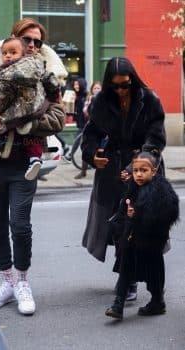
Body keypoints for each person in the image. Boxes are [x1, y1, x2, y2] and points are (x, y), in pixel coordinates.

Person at [0, 17, 66, 315]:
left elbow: (58, 118)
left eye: (37, 42)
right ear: (14, 40)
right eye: (26, 40)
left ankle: (22, 282)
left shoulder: (47, 75)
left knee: (19, 225)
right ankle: (7, 281)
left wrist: (26, 122)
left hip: (25, 161)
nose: (32, 45)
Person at [81, 57, 166, 300]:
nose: (120, 90)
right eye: (115, 86)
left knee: (144, 226)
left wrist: (138, 165)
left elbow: (156, 138)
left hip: (144, 171)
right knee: (121, 226)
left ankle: (149, 281)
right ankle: (128, 279)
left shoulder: (149, 99)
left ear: (133, 80)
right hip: (111, 171)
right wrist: (91, 154)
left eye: (125, 85)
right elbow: (91, 133)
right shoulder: (100, 101)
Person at [0, 36, 60, 181]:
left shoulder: (37, 65)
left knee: (28, 133)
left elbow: (58, 114)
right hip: (19, 112)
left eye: (36, 42)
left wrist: (54, 93)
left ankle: (30, 158)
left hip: (26, 111)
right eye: (5, 53)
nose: (8, 56)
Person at [105, 151, 179, 320]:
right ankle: (118, 305)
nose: (138, 174)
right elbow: (124, 208)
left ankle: (157, 301)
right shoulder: (132, 185)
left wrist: (136, 215)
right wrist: (125, 220)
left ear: (154, 171)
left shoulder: (161, 190)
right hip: (132, 238)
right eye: (136, 170)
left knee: (154, 273)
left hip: (152, 241)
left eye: (143, 170)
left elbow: (167, 214)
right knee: (126, 269)